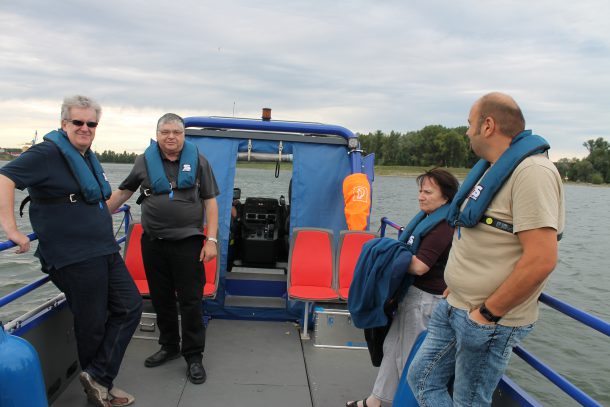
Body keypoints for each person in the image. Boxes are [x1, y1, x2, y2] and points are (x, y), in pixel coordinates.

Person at [407, 92, 565, 406]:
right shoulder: (492, 169)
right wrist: (456, 288)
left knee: (468, 401)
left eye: (470, 124)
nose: (467, 132)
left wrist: (486, 313)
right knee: (422, 378)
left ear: (488, 125)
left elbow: (541, 259)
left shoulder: (532, 173)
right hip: (454, 303)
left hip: (488, 319)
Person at [0, 95, 142, 407]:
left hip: (103, 249)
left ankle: (99, 377)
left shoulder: (86, 156)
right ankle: (99, 394)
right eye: (78, 122)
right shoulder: (46, 153)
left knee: (130, 306)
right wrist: (11, 230)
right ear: (64, 123)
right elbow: (4, 178)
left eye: (91, 123)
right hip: (74, 255)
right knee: (92, 325)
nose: (85, 128)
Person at [107, 113, 219, 385]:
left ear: (183, 135)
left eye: (176, 132)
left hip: (188, 242)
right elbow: (124, 192)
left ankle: (194, 356)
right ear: (157, 135)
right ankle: (169, 346)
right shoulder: (144, 161)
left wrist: (212, 240)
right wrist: (96, 216)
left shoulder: (200, 162)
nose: (171, 137)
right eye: (165, 132)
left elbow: (210, 203)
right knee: (161, 298)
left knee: (191, 300)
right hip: (153, 242)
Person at [346, 168, 459, 407]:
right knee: (392, 347)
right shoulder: (427, 219)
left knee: (409, 358)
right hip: (412, 296)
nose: (420, 196)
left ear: (446, 198)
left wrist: (383, 255)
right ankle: (376, 400)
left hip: (425, 301)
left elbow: (419, 266)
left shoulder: (442, 227)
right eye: (420, 191)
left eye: (427, 192)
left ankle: (405, 403)